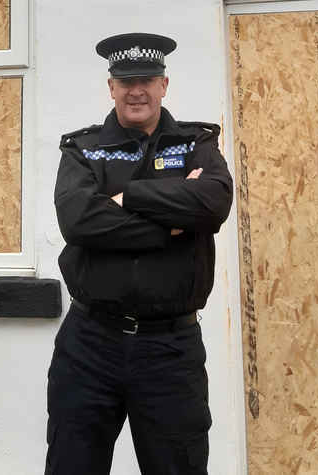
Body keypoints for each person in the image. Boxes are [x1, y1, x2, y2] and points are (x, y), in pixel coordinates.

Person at [46, 32, 233, 475]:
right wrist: (172, 224)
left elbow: (213, 203)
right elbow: (80, 222)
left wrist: (126, 196)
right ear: (110, 87)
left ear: (164, 85)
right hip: (90, 344)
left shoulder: (196, 143)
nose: (137, 90)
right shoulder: (84, 150)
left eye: (147, 79)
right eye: (125, 81)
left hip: (170, 348)